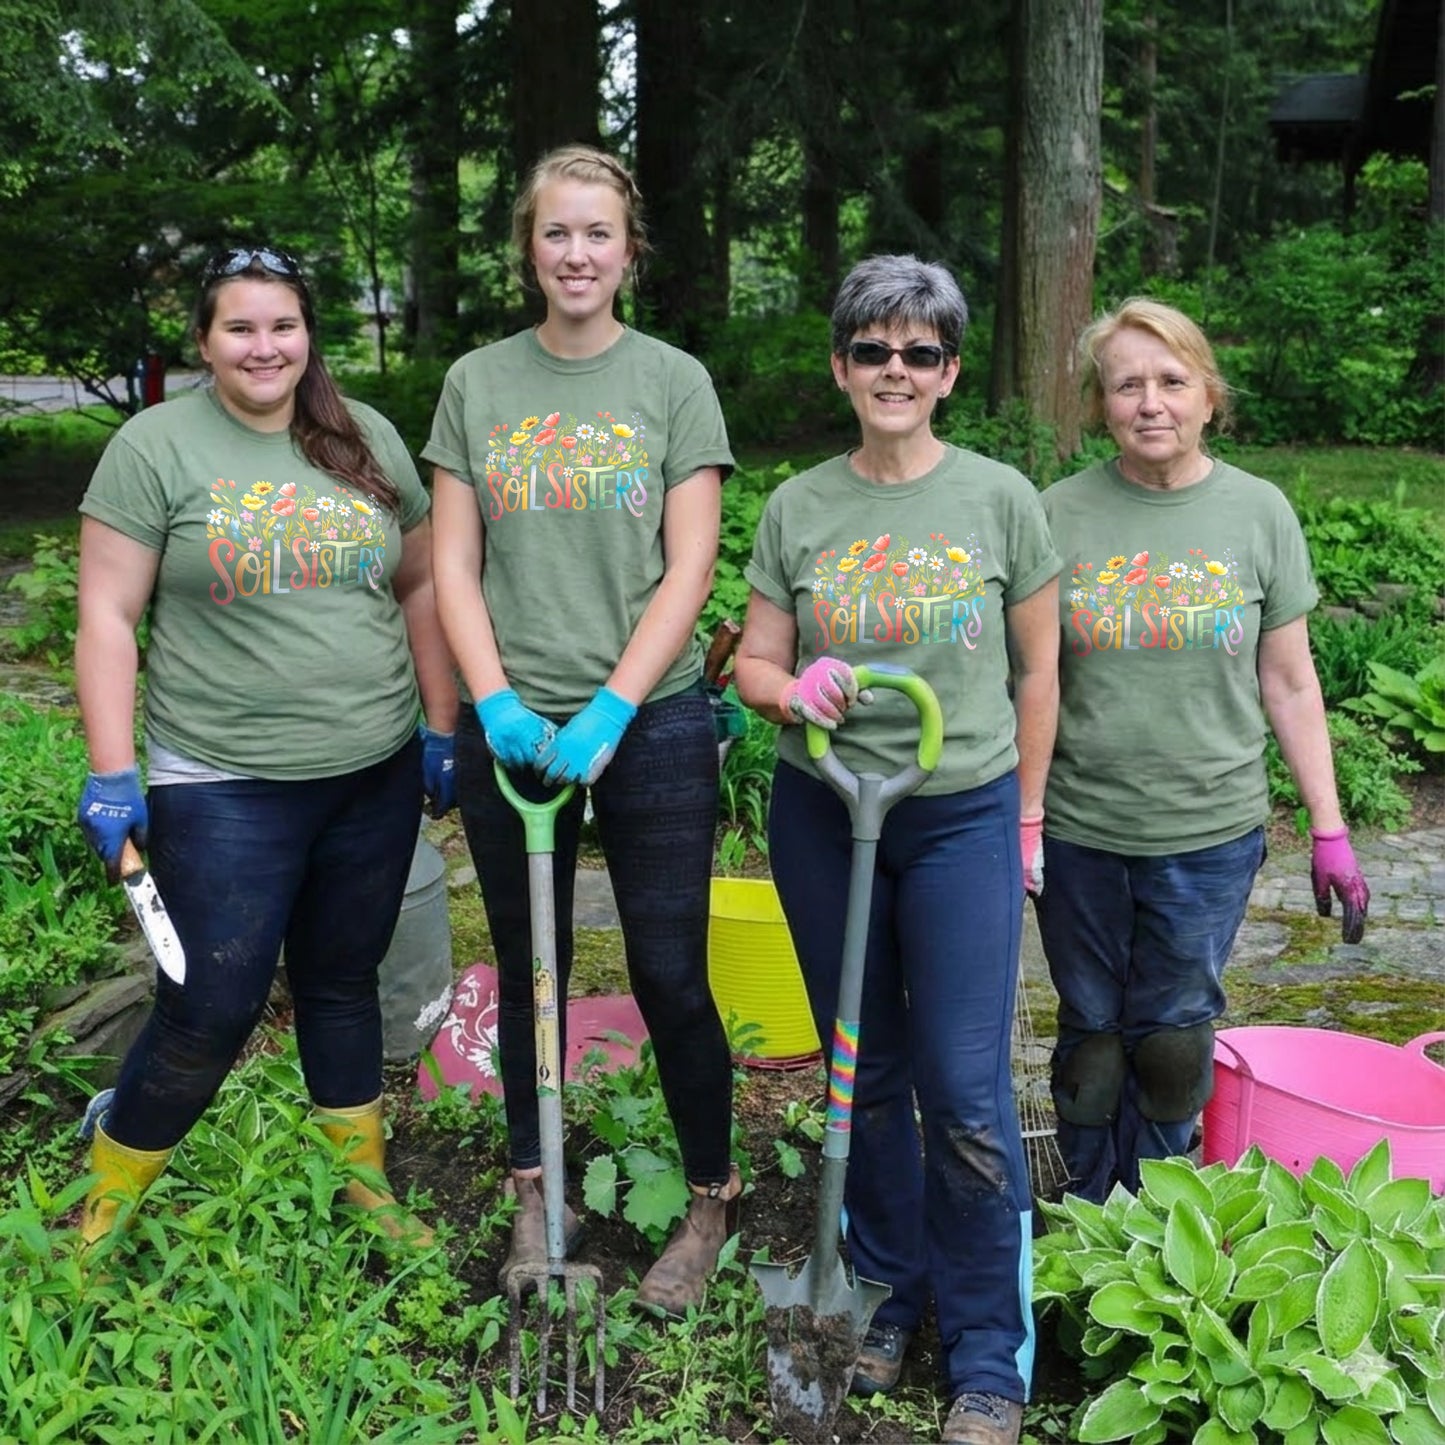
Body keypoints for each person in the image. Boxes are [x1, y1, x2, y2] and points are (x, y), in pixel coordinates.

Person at [733, 255, 1060, 1445]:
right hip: (824, 809)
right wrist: (789, 688)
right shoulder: (797, 506)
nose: (894, 370)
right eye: (872, 350)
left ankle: (986, 1352)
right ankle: (883, 1290)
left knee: (965, 1093)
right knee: (858, 1071)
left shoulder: (998, 499)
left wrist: (1023, 816)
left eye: (918, 352)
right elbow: (755, 663)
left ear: (949, 373)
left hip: (954, 811)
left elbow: (1038, 672)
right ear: (840, 364)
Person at [73, 244, 457, 1250]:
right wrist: (114, 769)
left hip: (370, 772)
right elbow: (108, 615)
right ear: (203, 338)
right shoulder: (154, 448)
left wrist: (439, 722)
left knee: (342, 977)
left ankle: (362, 1186)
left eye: (282, 325)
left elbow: (418, 584)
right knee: (210, 1005)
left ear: (307, 334)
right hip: (223, 782)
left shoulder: (360, 435)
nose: (263, 346)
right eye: (239, 327)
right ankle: (103, 1206)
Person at [425, 144, 740, 1316]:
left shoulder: (671, 379)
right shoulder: (477, 382)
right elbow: (453, 560)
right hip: (511, 729)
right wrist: (494, 699)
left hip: (647, 719)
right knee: (529, 970)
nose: (575, 254)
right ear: (528, 247)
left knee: (667, 969)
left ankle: (709, 1192)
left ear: (628, 249)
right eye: (555, 233)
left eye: (596, 234)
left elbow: (691, 558)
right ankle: (533, 1188)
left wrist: (614, 703)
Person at [1036, 297, 1370, 1205]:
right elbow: (1025, 681)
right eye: (1126, 384)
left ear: (1208, 398)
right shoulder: (1055, 515)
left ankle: (1158, 1212)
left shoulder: (1257, 514)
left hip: (1208, 832)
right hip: (1080, 829)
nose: (1150, 402)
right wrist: (1013, 817)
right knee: (1094, 1035)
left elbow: (1291, 683)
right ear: (1100, 404)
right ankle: (1081, 1205)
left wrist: (1329, 828)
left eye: (1171, 381)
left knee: (1174, 1034)